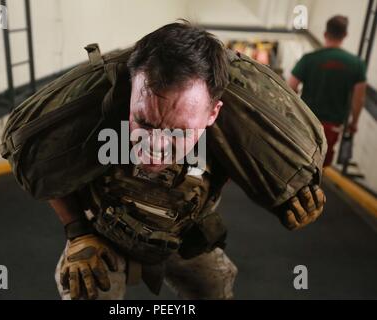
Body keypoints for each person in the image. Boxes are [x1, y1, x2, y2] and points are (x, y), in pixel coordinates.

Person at [43, 23, 325, 300]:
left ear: (212, 114)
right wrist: (77, 232)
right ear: (131, 93)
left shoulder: (230, 137)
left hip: (181, 236)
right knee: (84, 288)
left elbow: (264, 173)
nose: (154, 145)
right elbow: (48, 166)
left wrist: (290, 196)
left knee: (216, 284)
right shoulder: (101, 119)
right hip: (102, 235)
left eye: (178, 132)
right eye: (143, 122)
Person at [288, 15, 367, 167]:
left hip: (306, 121)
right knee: (320, 164)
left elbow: (290, 87)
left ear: (325, 34)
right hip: (333, 126)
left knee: (300, 161)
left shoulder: (309, 59)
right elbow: (359, 99)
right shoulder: (356, 64)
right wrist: (354, 123)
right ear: (345, 35)